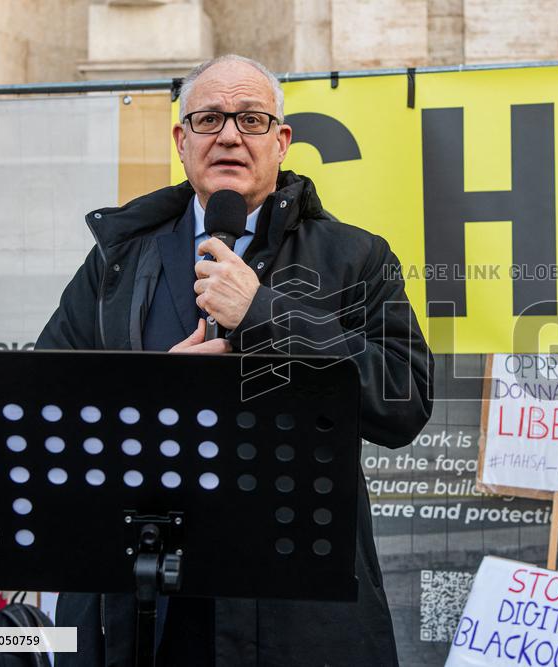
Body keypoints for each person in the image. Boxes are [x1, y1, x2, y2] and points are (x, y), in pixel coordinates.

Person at [36, 54, 433, 666]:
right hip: (145, 606)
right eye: (209, 119)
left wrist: (265, 315)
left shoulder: (356, 257)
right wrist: (154, 391)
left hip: (294, 611)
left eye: (250, 119)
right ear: (181, 140)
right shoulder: (117, 261)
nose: (228, 135)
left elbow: (403, 401)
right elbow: (45, 401)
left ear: (282, 141)